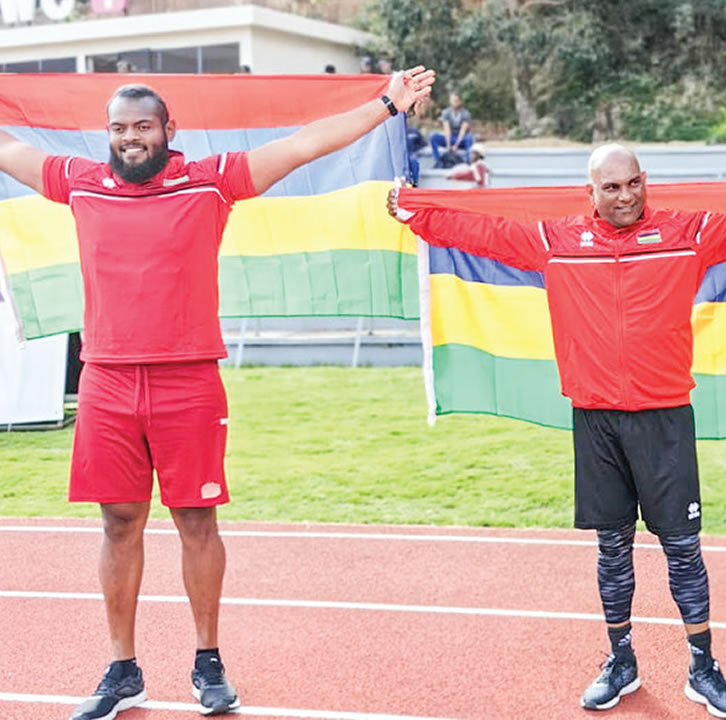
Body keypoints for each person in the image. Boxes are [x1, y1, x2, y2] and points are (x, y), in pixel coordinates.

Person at [0, 68, 434, 720]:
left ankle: (208, 661)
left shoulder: (211, 179)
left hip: (188, 379)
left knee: (195, 522)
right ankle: (123, 670)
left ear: (168, 130)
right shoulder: (79, 182)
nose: (129, 139)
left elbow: (303, 146)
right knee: (119, 524)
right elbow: (7, 150)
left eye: (142, 126)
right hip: (107, 381)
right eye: (119, 129)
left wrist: (384, 105)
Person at [389, 144, 726, 717]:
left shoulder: (687, 233)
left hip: (665, 417)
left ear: (645, 182)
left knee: (682, 550)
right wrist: (415, 210)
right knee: (612, 547)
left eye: (632, 184)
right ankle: (621, 660)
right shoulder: (557, 243)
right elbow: (484, 232)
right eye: (611, 188)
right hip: (595, 420)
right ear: (590, 193)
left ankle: (703, 667)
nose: (625, 197)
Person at [429, 92, 474, 168]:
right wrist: (448, 145)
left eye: (456, 101)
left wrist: (456, 145)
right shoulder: (446, 112)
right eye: (453, 100)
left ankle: (468, 162)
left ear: (460, 101)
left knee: (470, 137)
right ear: (450, 101)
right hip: (450, 137)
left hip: (461, 139)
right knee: (433, 136)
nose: (454, 103)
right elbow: (447, 129)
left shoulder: (465, 113)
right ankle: (438, 160)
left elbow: (463, 130)